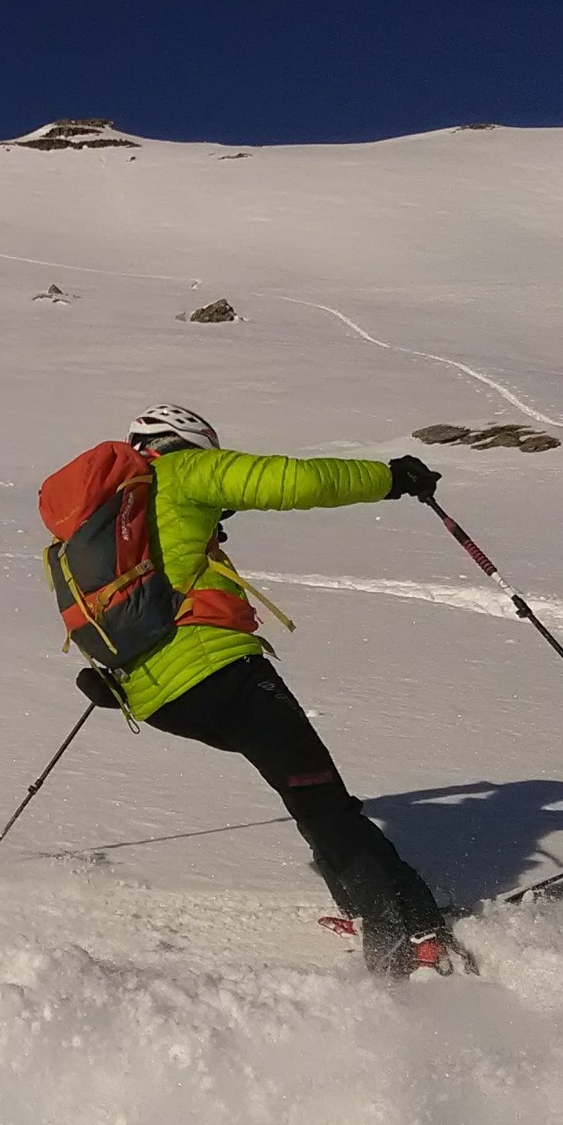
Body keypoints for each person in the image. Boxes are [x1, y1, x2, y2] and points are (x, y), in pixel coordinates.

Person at [74, 404, 462, 975]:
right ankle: (412, 934)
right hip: (221, 673)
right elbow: (295, 480)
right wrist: (391, 478)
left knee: (302, 788)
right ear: (189, 443)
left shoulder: (102, 514)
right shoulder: (182, 471)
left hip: (157, 698)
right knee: (321, 798)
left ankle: (365, 910)